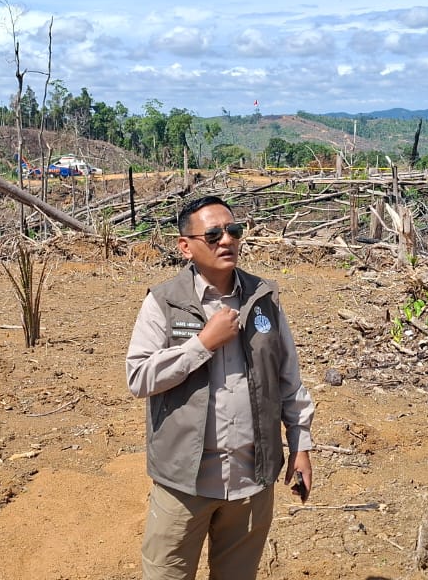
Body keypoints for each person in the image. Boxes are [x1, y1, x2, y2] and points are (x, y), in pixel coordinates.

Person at [126, 195, 315, 580]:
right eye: (213, 234)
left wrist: (300, 445)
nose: (226, 240)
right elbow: (139, 377)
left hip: (251, 479)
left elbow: (288, 377)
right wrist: (201, 344)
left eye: (233, 231)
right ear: (185, 246)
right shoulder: (163, 302)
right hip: (184, 482)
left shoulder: (264, 300)